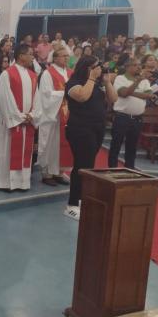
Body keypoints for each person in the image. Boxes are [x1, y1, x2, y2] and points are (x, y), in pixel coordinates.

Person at [64, 56, 118, 220]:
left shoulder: (98, 85)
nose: (98, 69)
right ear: (85, 68)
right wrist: (92, 78)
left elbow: (114, 99)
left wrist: (107, 82)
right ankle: (72, 204)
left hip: (97, 128)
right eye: (95, 67)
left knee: (88, 165)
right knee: (81, 165)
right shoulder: (73, 83)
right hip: (80, 129)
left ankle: (81, 199)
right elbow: (82, 97)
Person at [0, 44, 38, 192]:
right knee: (7, 152)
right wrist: (19, 117)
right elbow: (5, 99)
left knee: (24, 152)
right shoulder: (7, 74)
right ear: (21, 55)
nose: (32, 57)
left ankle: (22, 182)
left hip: (27, 121)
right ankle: (5, 183)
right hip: (11, 123)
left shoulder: (32, 75)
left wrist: (32, 115)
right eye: (30, 54)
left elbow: (37, 99)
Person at [33, 47, 73, 186]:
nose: (66, 58)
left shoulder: (70, 72)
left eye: (67, 56)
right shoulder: (48, 74)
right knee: (51, 144)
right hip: (53, 116)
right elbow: (45, 94)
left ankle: (59, 173)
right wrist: (64, 94)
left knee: (65, 144)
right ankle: (47, 174)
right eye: (63, 56)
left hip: (67, 114)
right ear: (55, 58)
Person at [108, 59, 153, 169]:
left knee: (132, 147)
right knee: (116, 145)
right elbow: (123, 93)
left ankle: (130, 170)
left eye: (139, 65)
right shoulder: (120, 78)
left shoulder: (145, 81)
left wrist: (131, 93)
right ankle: (112, 170)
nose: (139, 67)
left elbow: (149, 95)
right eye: (135, 65)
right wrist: (137, 83)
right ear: (128, 67)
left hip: (137, 119)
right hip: (122, 117)